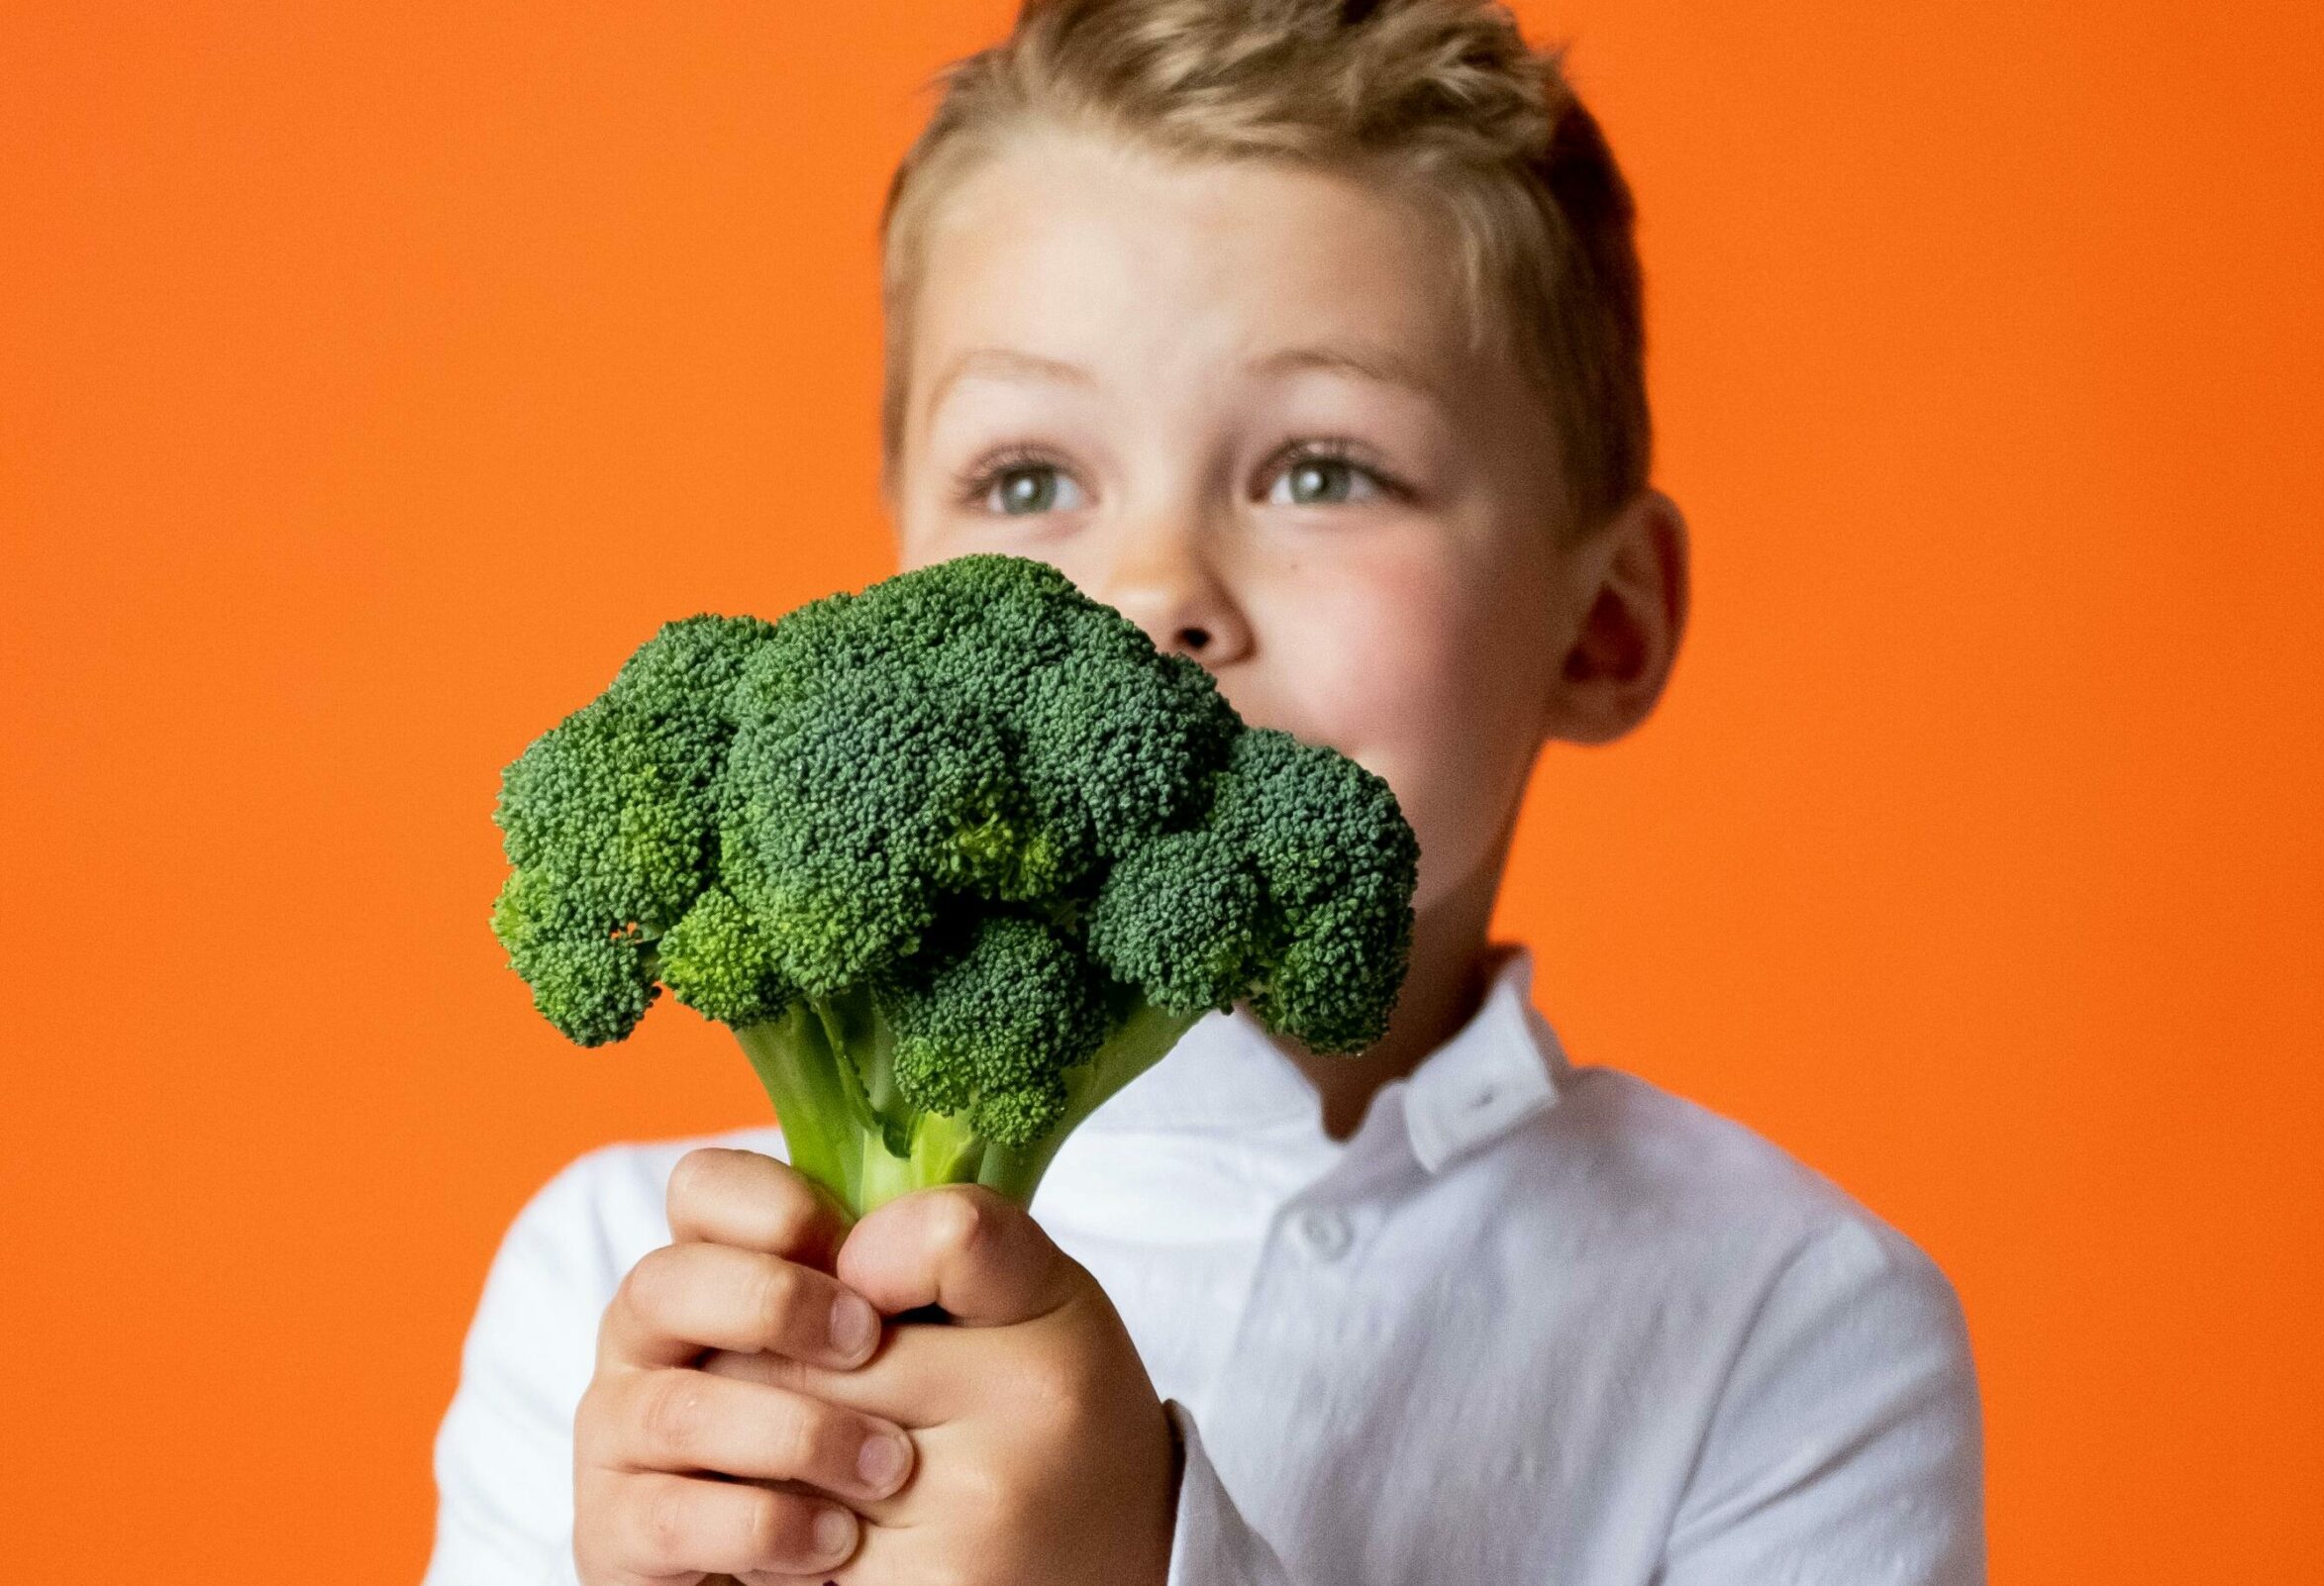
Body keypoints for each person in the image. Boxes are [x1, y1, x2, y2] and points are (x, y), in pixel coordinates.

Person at [423, 2, 1985, 1582]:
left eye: (1325, 470)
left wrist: (1140, 1556)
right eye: (1031, 479)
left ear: (1605, 621)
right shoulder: (618, 1298)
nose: (1153, 587)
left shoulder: (1788, 1325)